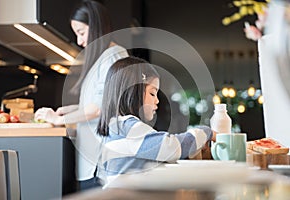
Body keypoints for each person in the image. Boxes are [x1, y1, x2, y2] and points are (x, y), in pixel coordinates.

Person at [34, 0, 129, 190]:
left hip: (100, 164)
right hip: (92, 163)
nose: (79, 41)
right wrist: (66, 111)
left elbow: (99, 108)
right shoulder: (103, 58)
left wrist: (58, 120)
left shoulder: (113, 57)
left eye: (81, 32)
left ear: (96, 27)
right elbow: (94, 103)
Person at [96, 56, 216, 187]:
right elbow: (172, 147)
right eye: (152, 94)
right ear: (132, 92)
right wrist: (206, 132)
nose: (157, 101)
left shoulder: (115, 128)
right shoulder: (129, 128)